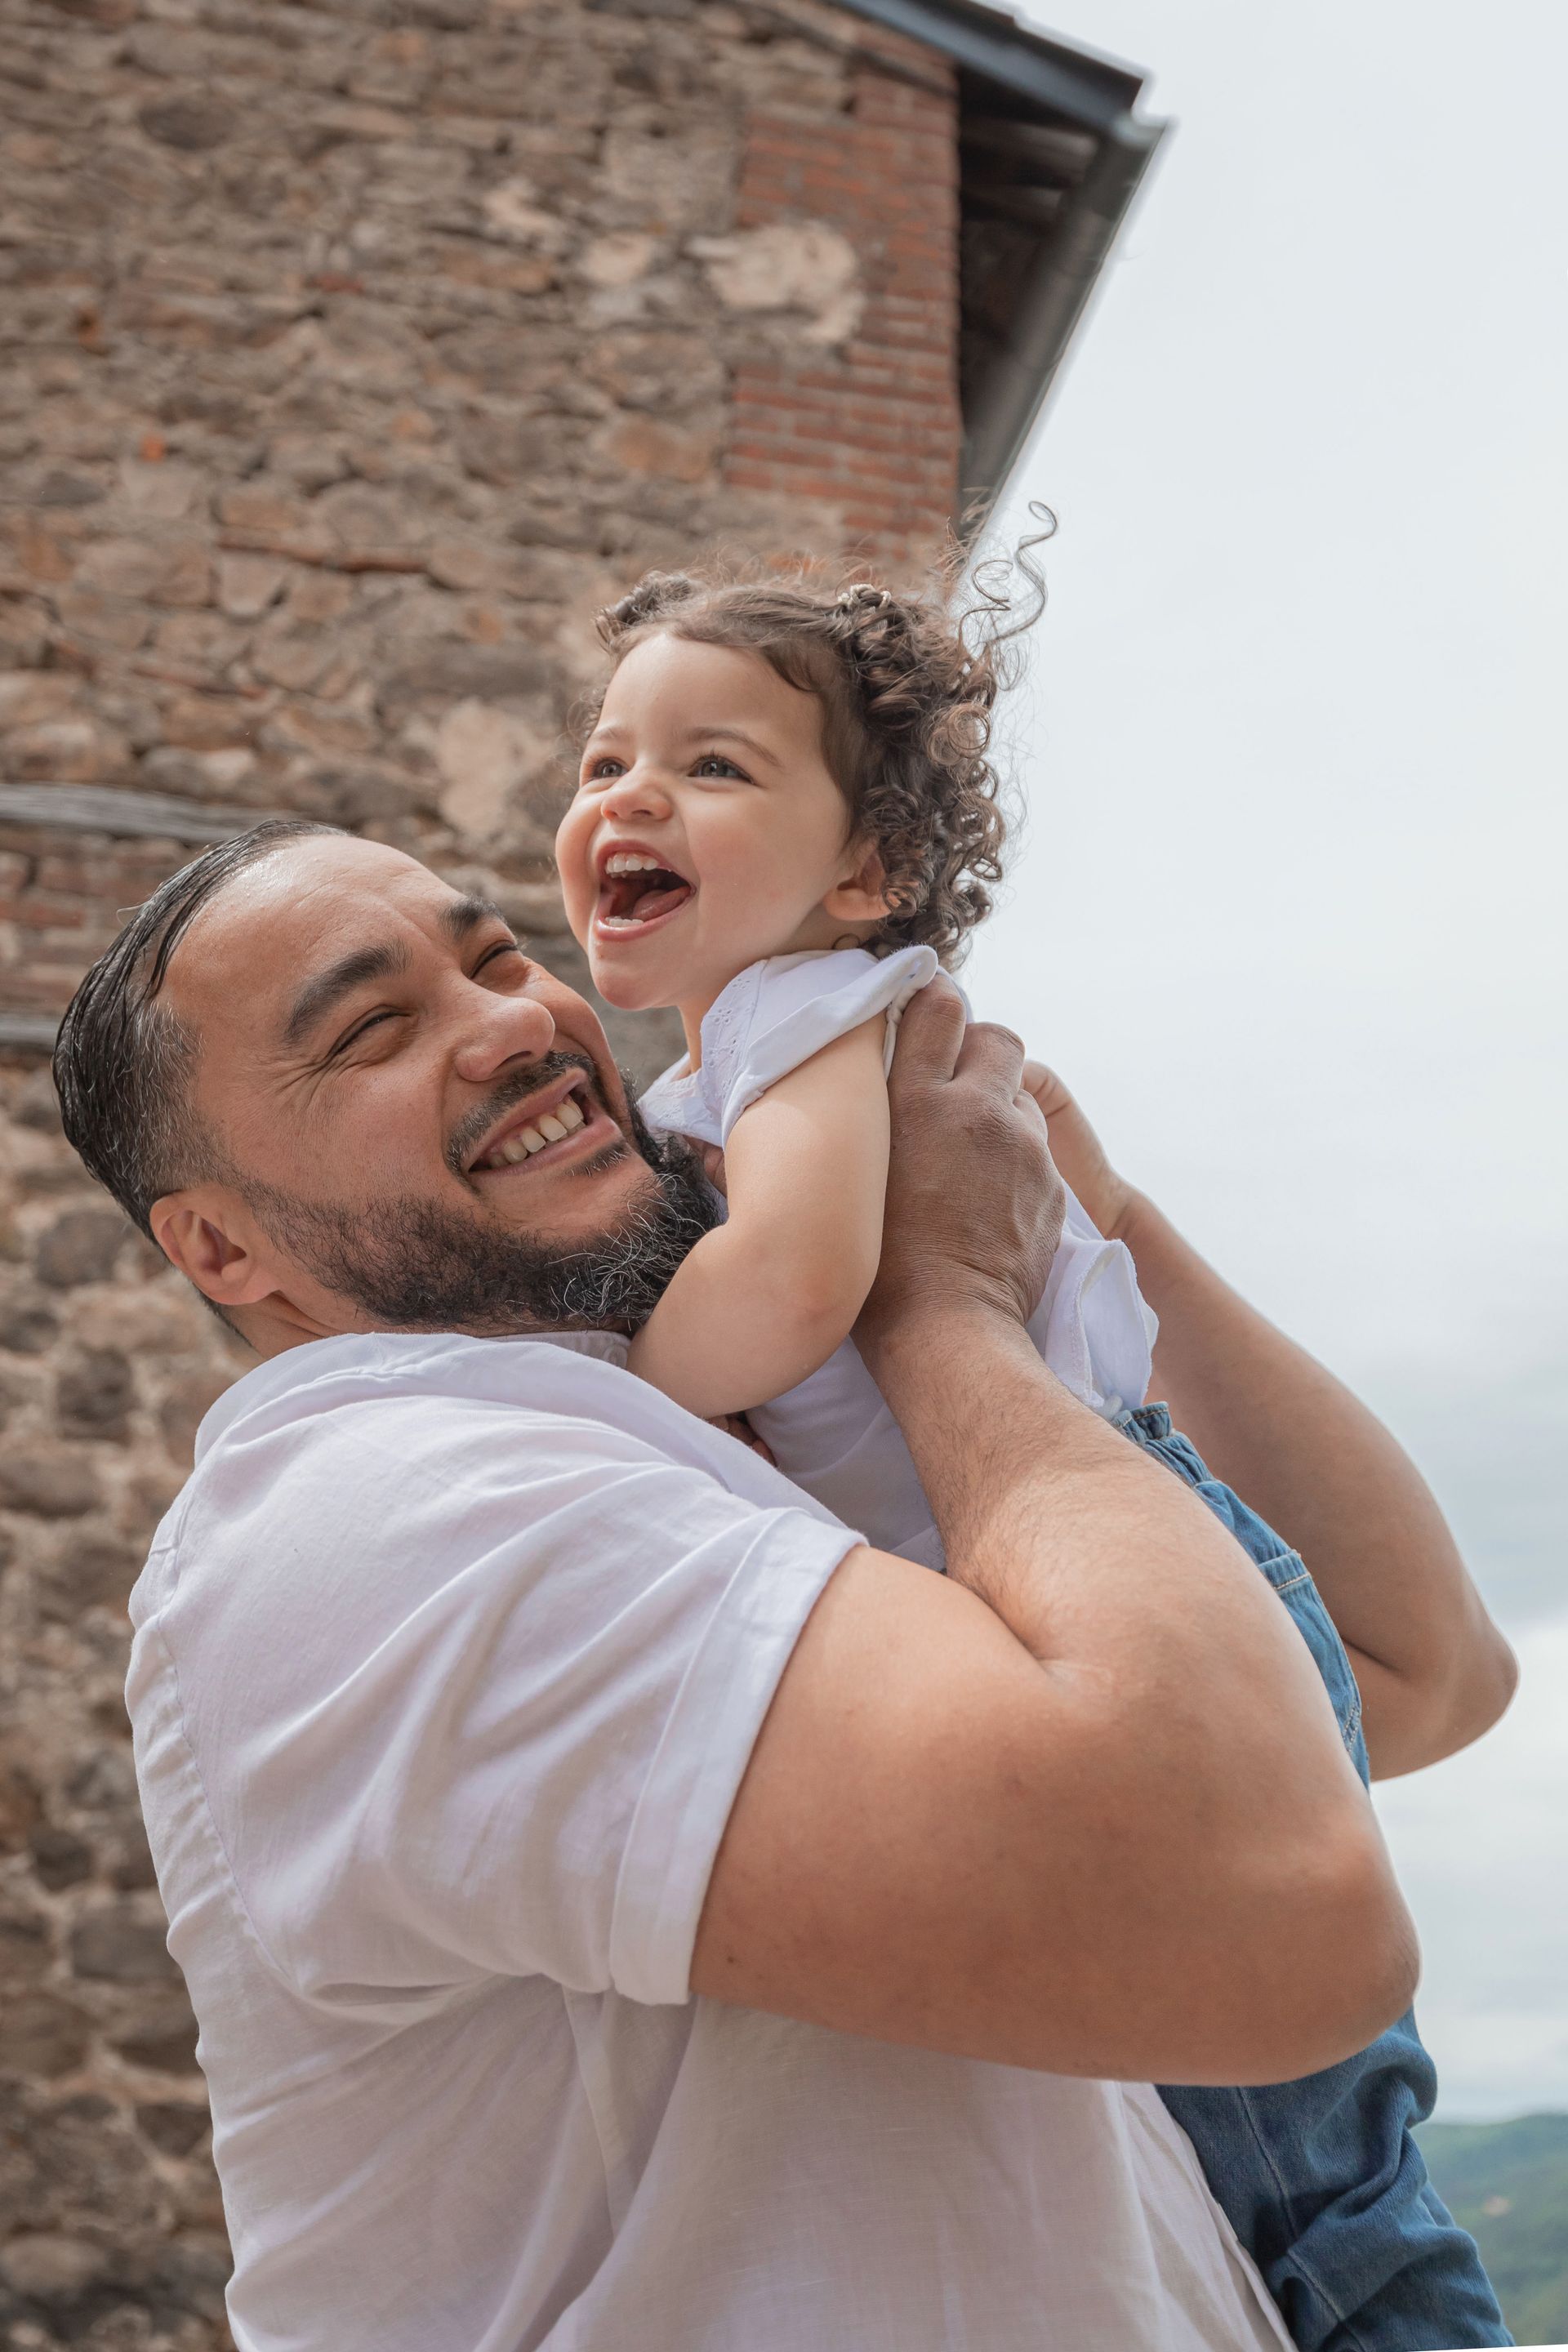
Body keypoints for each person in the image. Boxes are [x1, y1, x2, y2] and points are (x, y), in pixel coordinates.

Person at [51, 822, 1508, 2352]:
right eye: (373, 1030)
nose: (514, 1022)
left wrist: (1080, 1200)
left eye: (494, 958)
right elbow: (1279, 1915)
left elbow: (1412, 1664)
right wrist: (945, 1297)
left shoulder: (707, 1458)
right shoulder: (379, 1511)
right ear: (222, 1247)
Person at [552, 564, 1517, 2350]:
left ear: (865, 875)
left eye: (713, 767)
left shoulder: (799, 1024)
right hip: (1149, 1566)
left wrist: (613, 1377)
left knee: (1311, 2213)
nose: (627, 797)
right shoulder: (769, 1052)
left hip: (1122, 1575)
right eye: (607, 760)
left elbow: (798, 1282)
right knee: (1333, 2192)